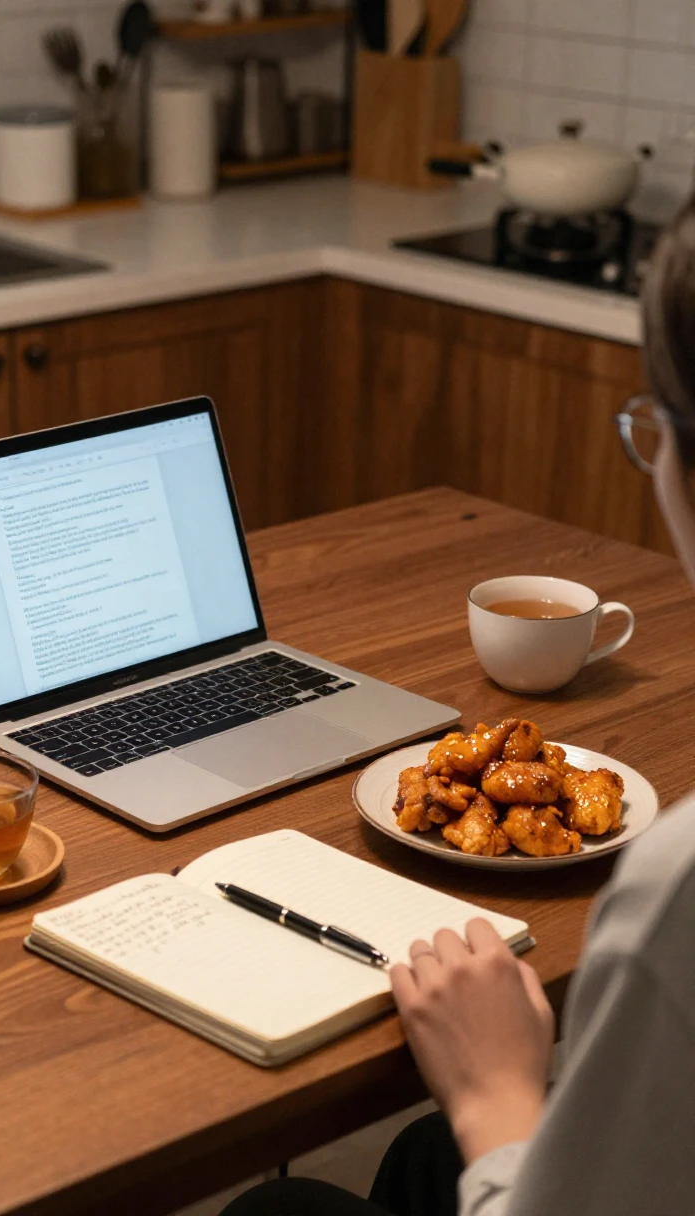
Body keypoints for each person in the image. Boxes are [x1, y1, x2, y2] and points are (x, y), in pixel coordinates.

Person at [219, 197, 695, 1216]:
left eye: (651, 421)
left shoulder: (678, 889)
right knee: (425, 1159)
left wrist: (495, 1093)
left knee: (278, 1210)